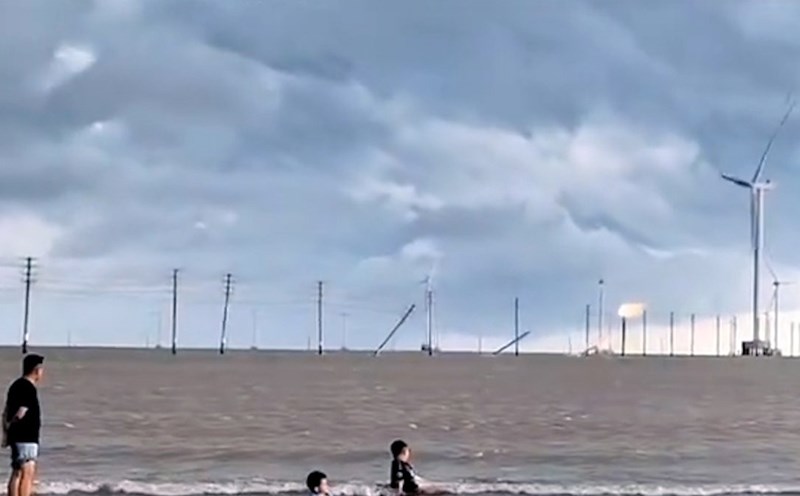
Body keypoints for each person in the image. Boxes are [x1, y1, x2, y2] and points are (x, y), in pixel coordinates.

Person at [3, 354, 44, 496]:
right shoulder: (28, 388)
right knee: (28, 473)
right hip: (27, 436)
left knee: (17, 472)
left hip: (16, 437)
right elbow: (21, 411)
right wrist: (15, 422)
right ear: (36, 370)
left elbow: (6, 411)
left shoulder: (15, 385)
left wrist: (7, 431)